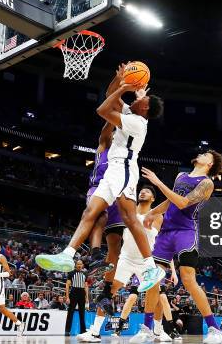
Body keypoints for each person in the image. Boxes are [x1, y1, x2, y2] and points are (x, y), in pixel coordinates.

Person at [35, 72, 166, 293]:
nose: (136, 98)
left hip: (124, 168)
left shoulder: (136, 122)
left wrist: (124, 89)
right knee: (90, 212)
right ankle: (67, 255)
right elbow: (109, 95)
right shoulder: (131, 111)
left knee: (130, 218)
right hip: (113, 170)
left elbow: (103, 110)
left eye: (141, 99)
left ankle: (151, 267)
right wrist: (120, 81)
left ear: (145, 109)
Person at [130, 151, 222, 344]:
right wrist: (153, 212)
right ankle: (147, 329)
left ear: (210, 163)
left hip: (186, 231)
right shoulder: (180, 176)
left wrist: (158, 182)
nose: (200, 153)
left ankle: (215, 329)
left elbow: (182, 203)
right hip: (166, 232)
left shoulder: (207, 183)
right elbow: (170, 200)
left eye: (206, 154)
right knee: (153, 280)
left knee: (189, 280)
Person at [78, 186, 177, 342]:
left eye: (148, 192)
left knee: (156, 292)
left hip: (146, 260)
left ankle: (158, 331)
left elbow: (149, 229)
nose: (143, 192)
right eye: (141, 191)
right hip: (126, 258)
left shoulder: (157, 216)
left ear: (152, 199)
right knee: (109, 291)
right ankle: (95, 332)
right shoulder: (127, 211)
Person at [65, 260, 89, 335]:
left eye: (80, 264)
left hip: (82, 292)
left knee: (82, 312)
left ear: (82, 265)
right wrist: (67, 297)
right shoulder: (71, 273)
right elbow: (67, 285)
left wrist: (87, 297)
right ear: (75, 265)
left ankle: (83, 330)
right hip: (74, 291)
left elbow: (86, 286)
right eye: (78, 264)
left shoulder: (85, 273)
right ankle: (67, 330)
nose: (79, 265)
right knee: (70, 312)